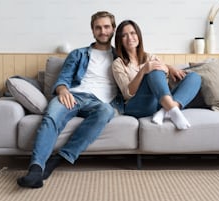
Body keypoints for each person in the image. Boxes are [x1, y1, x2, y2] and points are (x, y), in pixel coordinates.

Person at [17, 11, 122, 188]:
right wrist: (62, 90)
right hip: (73, 96)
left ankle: (58, 159)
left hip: (100, 103)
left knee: (107, 111)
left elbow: (144, 61)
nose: (102, 31)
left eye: (106, 27)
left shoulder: (121, 57)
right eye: (98, 27)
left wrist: (168, 68)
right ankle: (35, 170)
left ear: (113, 29)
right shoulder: (78, 54)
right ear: (92, 30)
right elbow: (63, 79)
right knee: (51, 116)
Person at [112, 20, 201, 129]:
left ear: (138, 36)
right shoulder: (118, 63)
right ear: (120, 41)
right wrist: (143, 70)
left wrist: (170, 68)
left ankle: (166, 110)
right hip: (136, 105)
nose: (130, 37)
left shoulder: (150, 57)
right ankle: (172, 110)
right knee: (153, 71)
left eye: (133, 33)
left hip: (158, 103)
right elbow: (127, 93)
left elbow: (162, 74)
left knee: (194, 77)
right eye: (124, 35)